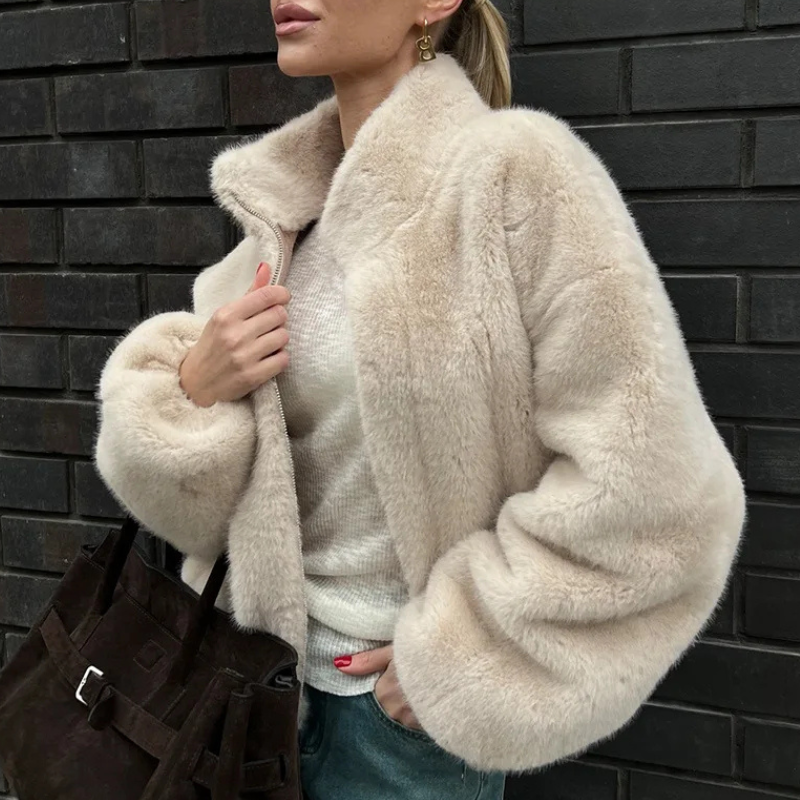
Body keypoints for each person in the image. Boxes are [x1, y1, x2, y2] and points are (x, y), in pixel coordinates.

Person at [94, 0, 747, 797]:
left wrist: (463, 663)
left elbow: (656, 489)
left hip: (394, 743)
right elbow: (202, 520)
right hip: (242, 714)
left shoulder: (511, 176)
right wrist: (192, 393)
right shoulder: (282, 222)